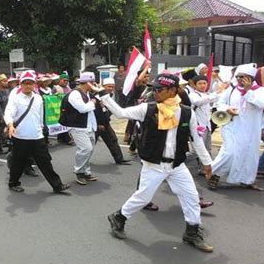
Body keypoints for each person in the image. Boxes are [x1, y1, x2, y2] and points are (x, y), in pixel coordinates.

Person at [97, 73, 214, 252]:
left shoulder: (187, 112)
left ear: (173, 90)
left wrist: (207, 163)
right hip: (154, 165)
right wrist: (104, 94)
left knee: (191, 197)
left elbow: (196, 140)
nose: (155, 92)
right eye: (154, 89)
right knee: (143, 197)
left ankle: (192, 232)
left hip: (176, 165)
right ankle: (118, 217)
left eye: (160, 89)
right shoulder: (148, 109)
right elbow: (120, 113)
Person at [5, 70, 70, 193]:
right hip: (21, 137)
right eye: (25, 83)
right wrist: (10, 124)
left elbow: (40, 116)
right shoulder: (16, 98)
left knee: (45, 162)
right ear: (21, 84)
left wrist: (41, 128)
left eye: (31, 83)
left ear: (35, 84)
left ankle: (57, 186)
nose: (28, 85)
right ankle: (13, 183)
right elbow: (8, 113)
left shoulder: (38, 98)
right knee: (18, 162)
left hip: (37, 136)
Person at [208, 64, 264, 191]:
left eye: (243, 77)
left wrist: (248, 91)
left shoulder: (261, 91)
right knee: (229, 152)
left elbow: (260, 104)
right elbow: (219, 103)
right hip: (232, 126)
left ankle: (247, 180)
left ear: (251, 77)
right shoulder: (231, 90)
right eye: (238, 77)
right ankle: (213, 172)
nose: (240, 79)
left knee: (249, 155)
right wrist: (227, 108)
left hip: (251, 129)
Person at [59, 71, 98, 185]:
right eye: (92, 82)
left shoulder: (89, 93)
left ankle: (86, 172)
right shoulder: (75, 94)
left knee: (90, 150)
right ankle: (79, 171)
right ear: (86, 82)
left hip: (89, 126)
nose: (94, 84)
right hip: (77, 126)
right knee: (85, 149)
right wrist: (93, 102)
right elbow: (82, 108)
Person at [188, 75, 223, 174]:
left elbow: (218, 99)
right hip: (197, 126)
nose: (203, 85)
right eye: (200, 83)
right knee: (195, 151)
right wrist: (216, 93)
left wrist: (221, 87)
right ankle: (176, 164)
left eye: (204, 83)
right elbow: (198, 102)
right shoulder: (193, 95)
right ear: (194, 85)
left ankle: (204, 170)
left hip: (207, 126)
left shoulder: (207, 94)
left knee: (207, 149)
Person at [94, 77, 130, 165]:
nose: (110, 88)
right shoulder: (97, 97)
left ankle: (119, 159)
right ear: (103, 86)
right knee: (89, 145)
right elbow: (94, 112)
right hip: (97, 125)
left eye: (112, 87)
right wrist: (98, 124)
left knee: (113, 140)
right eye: (108, 86)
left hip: (106, 123)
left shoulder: (110, 96)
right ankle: (82, 163)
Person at [0, 74, 10, 154]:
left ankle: (8, 145)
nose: (6, 82)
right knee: (0, 132)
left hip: (8, 114)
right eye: (4, 81)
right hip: (0, 115)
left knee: (9, 130)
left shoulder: (8, 91)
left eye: (6, 80)